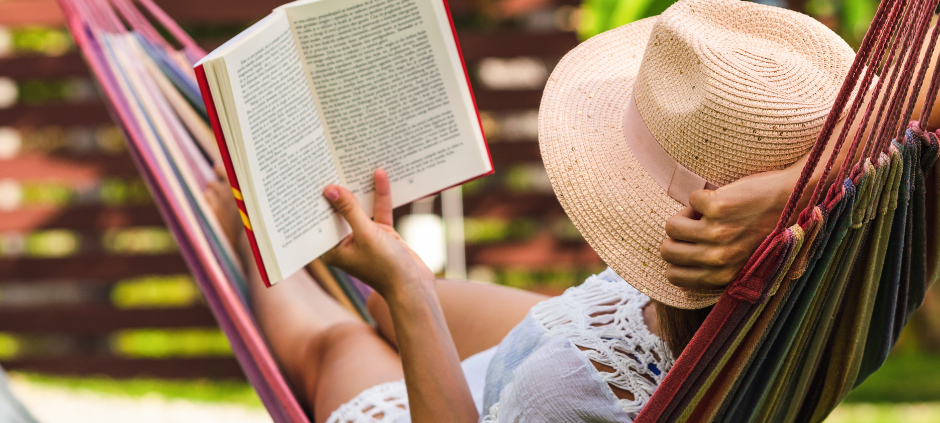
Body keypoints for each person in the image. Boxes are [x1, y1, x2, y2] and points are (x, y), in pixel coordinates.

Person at [204, 0, 940, 421]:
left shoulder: (561, 395)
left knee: (340, 339)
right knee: (378, 313)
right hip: (634, 326)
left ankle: (245, 234)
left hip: (538, 386)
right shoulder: (856, 276)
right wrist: (794, 192)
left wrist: (408, 284)